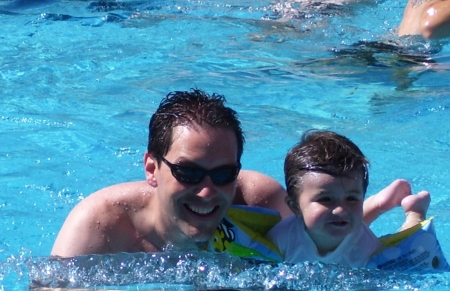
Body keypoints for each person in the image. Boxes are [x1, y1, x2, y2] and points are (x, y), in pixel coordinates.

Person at [51, 89, 417, 258]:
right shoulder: (101, 226)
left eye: (224, 173)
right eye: (189, 173)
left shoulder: (259, 199)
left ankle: (378, 205)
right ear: (152, 168)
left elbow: (324, 240)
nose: (209, 192)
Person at [267, 130, 430, 267]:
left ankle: (415, 210)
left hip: (358, 238)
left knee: (406, 250)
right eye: (325, 199)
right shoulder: (281, 238)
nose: (340, 209)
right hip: (350, 229)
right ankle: (377, 204)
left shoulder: (366, 248)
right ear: (294, 206)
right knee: (345, 218)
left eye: (352, 198)